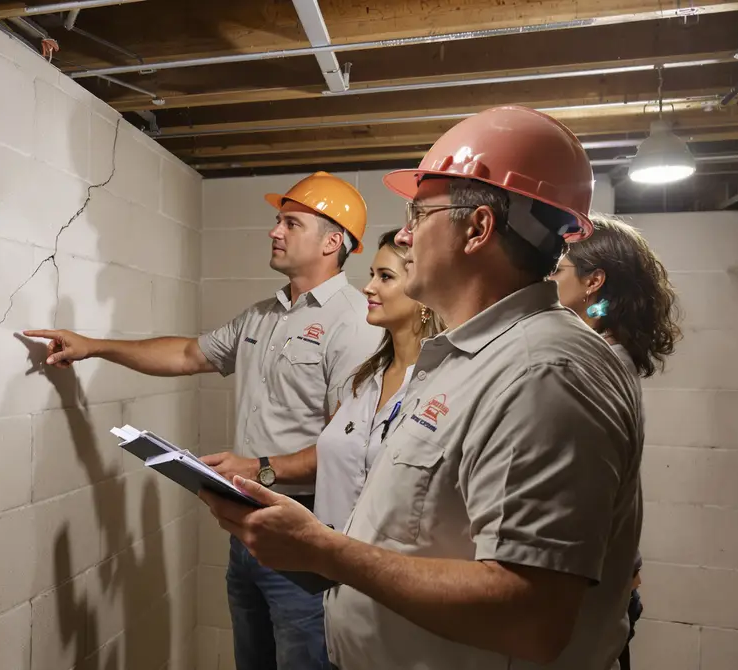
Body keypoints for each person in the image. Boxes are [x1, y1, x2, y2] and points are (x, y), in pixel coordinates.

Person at [199, 105, 645, 670]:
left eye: (420, 213)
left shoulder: (543, 372)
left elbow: (531, 617)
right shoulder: (466, 358)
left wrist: (323, 549)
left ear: (478, 228)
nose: (405, 235)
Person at [25, 171, 382, 670]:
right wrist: (94, 346)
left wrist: (258, 468)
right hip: (247, 534)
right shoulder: (263, 316)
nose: (274, 231)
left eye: (291, 223)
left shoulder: (356, 323)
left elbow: (351, 446)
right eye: (277, 221)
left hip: (303, 534)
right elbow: (190, 353)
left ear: (333, 242)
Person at [202, 229, 444, 535]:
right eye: (372, 274)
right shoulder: (366, 378)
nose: (368, 287)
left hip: (385, 559)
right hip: (330, 551)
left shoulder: (441, 383)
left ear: (423, 292)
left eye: (385, 277)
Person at [549, 212, 682, 669]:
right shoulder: (604, 352)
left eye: (558, 269)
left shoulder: (597, 362)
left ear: (594, 281)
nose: (549, 278)